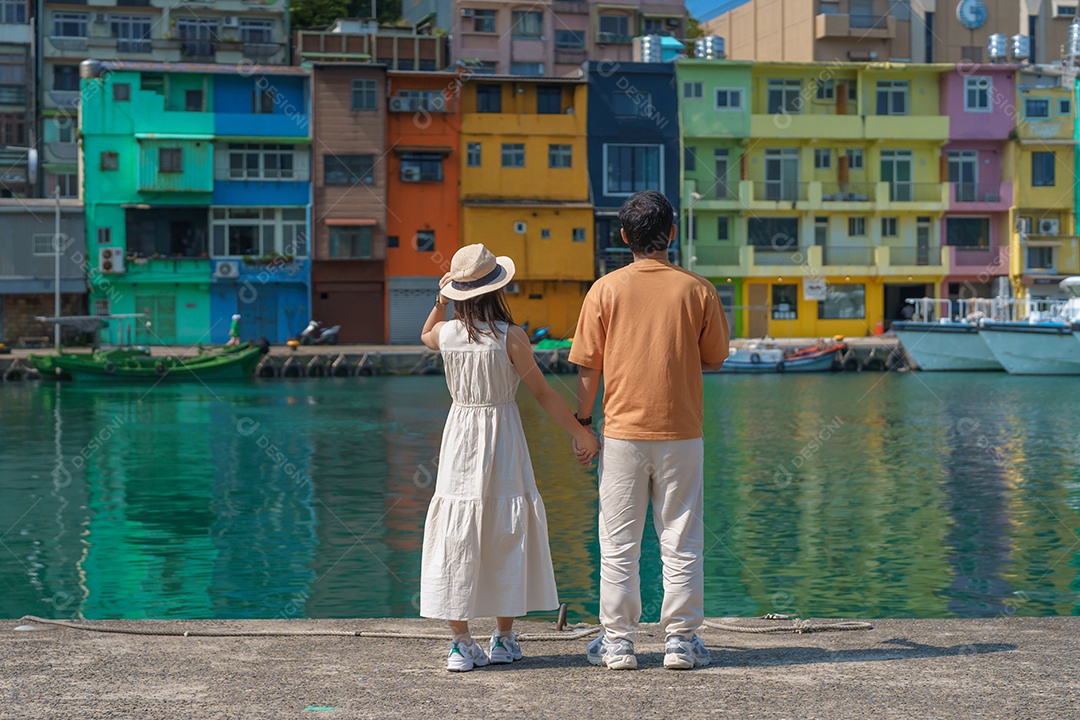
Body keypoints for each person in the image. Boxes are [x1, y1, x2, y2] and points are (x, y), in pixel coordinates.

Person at [419, 243, 600, 673]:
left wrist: (440, 300)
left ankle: (461, 643)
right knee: (507, 527)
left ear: (460, 293)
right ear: (496, 288)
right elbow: (542, 393)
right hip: (502, 434)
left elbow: (426, 333)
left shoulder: (447, 334)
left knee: (456, 530)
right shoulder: (510, 336)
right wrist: (581, 433)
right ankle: (503, 637)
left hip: (460, 435)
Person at [569, 190, 730, 671]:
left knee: (618, 542)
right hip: (682, 432)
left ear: (623, 237)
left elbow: (586, 369)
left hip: (621, 433)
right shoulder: (697, 289)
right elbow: (716, 358)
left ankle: (618, 642)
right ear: (672, 234)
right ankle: (680, 641)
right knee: (680, 537)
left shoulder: (605, 289)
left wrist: (583, 424)